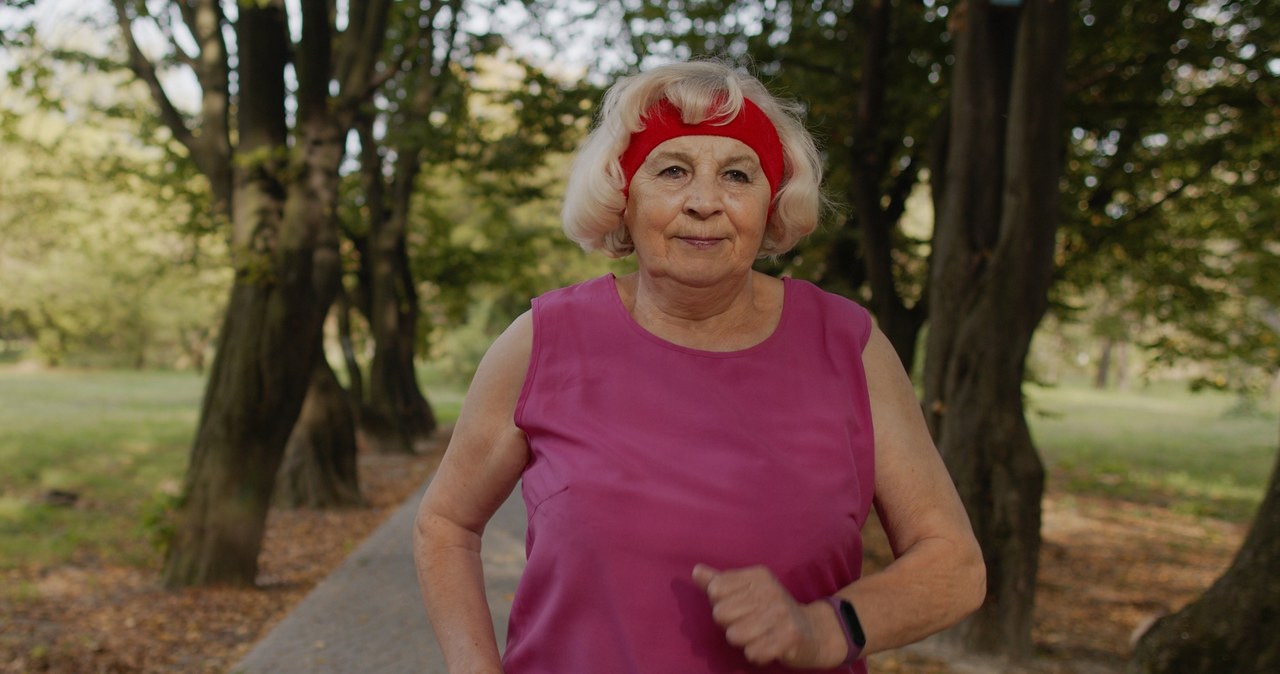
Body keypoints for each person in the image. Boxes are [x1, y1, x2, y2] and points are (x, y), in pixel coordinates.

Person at [413, 59, 985, 673]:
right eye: (673, 171)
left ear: (771, 205)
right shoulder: (544, 340)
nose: (705, 203)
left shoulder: (849, 345)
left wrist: (825, 627)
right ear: (623, 196)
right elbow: (445, 523)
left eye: (737, 175)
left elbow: (954, 564)